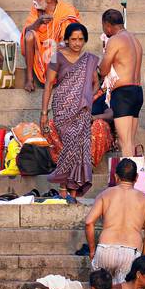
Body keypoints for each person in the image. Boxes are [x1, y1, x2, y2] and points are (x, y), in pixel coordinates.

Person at [42, 22, 99, 201]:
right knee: (70, 145)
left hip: (82, 110)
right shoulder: (55, 57)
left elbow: (95, 83)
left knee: (79, 148)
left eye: (81, 39)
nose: (77, 43)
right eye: (73, 39)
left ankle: (72, 193)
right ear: (66, 40)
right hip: (62, 109)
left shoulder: (89, 59)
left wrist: (87, 97)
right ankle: (62, 188)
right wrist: (44, 112)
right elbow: (49, 84)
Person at [85, 158, 145, 283]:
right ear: (137, 177)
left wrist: (92, 251)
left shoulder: (105, 194)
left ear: (116, 176)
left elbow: (89, 222)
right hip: (131, 253)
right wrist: (143, 262)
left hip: (105, 250)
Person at [97, 9, 144, 155]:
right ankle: (136, 176)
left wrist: (101, 63)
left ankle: (128, 178)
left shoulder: (115, 40)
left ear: (107, 25)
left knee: (125, 145)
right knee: (131, 141)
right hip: (137, 92)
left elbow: (103, 70)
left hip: (123, 94)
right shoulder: (135, 39)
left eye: (104, 27)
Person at [20, 0, 80, 92]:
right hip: (38, 48)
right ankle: (29, 78)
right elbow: (26, 31)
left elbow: (70, 40)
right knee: (29, 36)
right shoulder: (36, 8)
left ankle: (59, 78)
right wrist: (38, 22)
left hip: (56, 49)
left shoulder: (66, 11)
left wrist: (54, 47)